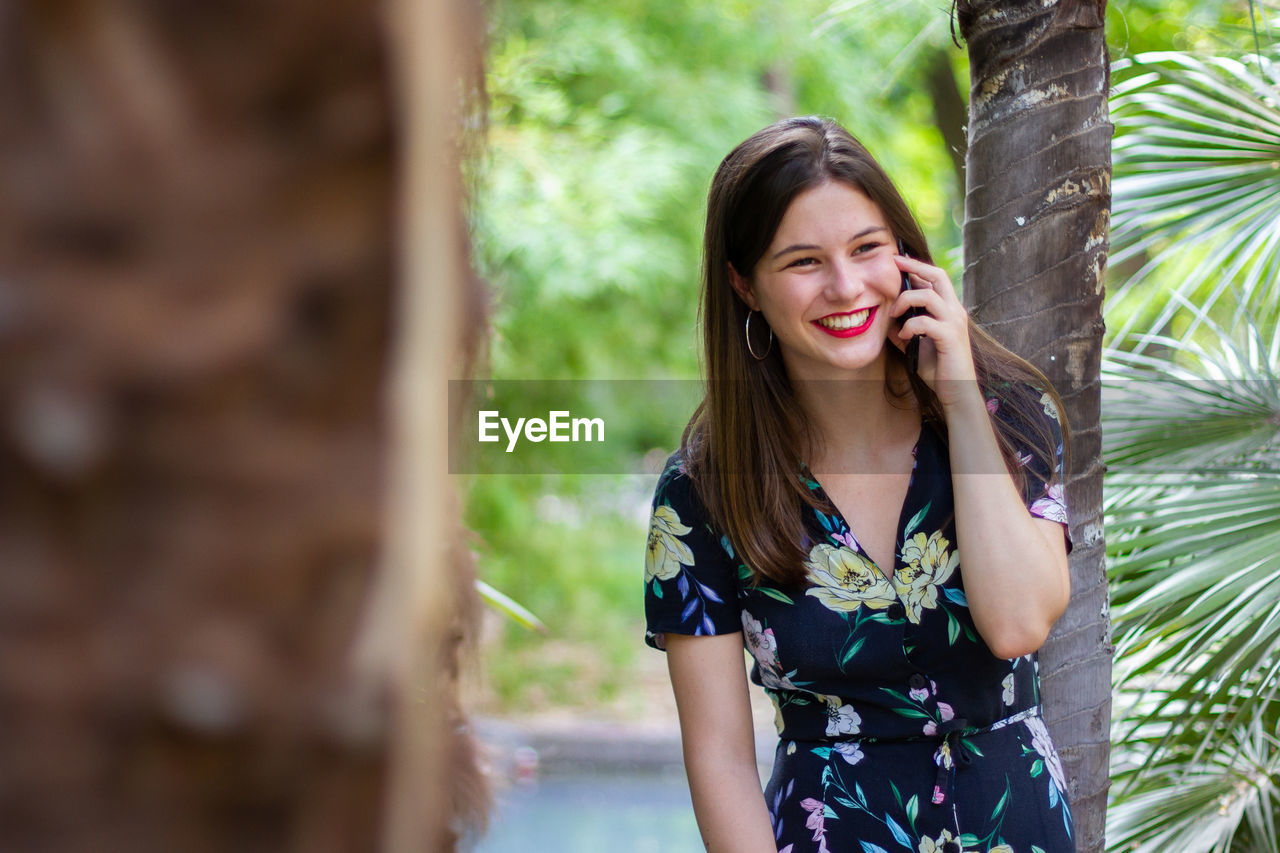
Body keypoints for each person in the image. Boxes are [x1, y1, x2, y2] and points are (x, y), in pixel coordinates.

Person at [643, 116, 1075, 853]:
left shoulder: (1009, 412)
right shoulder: (702, 491)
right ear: (745, 285)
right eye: (803, 261)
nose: (845, 286)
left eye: (867, 248)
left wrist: (964, 401)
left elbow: (1017, 624)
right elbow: (717, 756)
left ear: (905, 255)